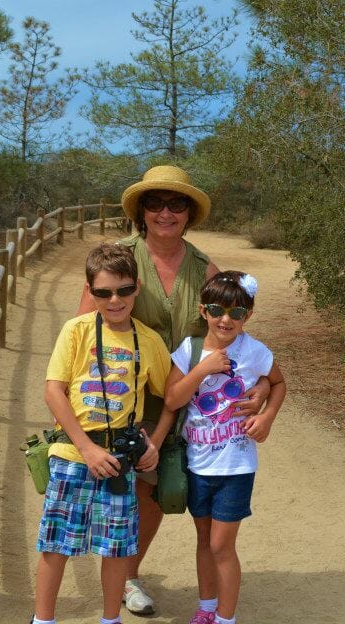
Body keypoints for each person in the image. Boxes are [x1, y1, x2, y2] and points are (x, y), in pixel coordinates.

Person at [76, 165, 271, 615]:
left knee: (162, 492)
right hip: (123, 398)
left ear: (188, 214)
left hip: (186, 403)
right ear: (141, 211)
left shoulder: (205, 269)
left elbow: (233, 338)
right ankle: (124, 581)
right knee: (129, 490)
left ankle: (126, 575)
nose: (165, 212)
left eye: (176, 204)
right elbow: (83, 329)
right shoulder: (119, 257)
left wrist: (261, 387)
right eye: (155, 203)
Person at [32, 243, 172, 624]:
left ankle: (110, 619)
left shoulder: (148, 341)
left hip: (120, 462)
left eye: (124, 290)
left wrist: (154, 443)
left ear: (137, 289)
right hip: (74, 454)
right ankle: (43, 619)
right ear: (90, 291)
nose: (115, 300)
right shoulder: (76, 331)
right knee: (56, 543)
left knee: (116, 549)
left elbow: (172, 397)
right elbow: (53, 390)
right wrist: (86, 449)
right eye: (104, 292)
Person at [159, 271, 287, 624]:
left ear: (249, 315)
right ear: (203, 310)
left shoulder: (255, 352)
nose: (226, 319)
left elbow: (278, 382)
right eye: (217, 310)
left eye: (237, 312)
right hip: (198, 464)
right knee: (204, 540)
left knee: (221, 546)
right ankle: (207, 607)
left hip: (235, 466)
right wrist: (202, 370)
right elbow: (172, 399)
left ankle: (226, 618)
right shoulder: (189, 350)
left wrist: (267, 415)